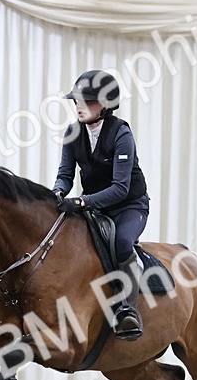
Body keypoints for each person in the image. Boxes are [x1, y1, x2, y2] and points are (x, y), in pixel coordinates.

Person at [52, 70, 149, 341]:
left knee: (121, 243)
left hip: (129, 206)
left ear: (105, 105)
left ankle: (128, 311)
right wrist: (58, 192)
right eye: (76, 101)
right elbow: (65, 174)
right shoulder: (72, 133)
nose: (78, 106)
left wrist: (83, 201)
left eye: (86, 101)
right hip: (95, 206)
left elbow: (120, 188)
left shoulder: (121, 133)